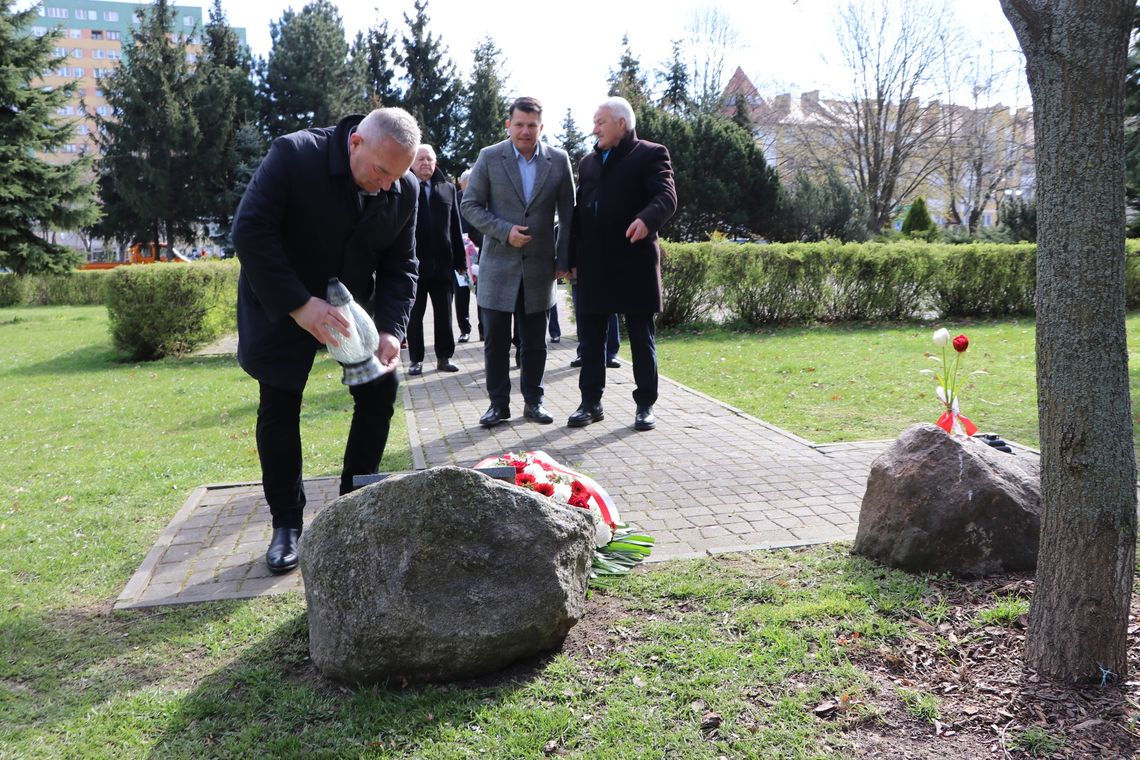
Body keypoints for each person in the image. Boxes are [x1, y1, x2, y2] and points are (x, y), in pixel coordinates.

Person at [231, 107, 421, 574]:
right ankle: (286, 524)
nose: (386, 186)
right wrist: (300, 305)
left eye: (396, 177)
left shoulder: (403, 188)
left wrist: (392, 329)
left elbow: (401, 266)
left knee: (380, 391)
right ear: (355, 142)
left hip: (352, 308)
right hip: (281, 300)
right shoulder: (294, 155)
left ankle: (351, 509)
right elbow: (250, 231)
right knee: (279, 404)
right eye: (380, 171)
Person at [461, 96, 575, 427]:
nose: (525, 131)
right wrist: (504, 231)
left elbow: (569, 214)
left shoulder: (558, 160)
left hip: (539, 268)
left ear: (541, 127)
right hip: (498, 266)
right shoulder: (489, 157)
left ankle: (534, 402)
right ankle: (498, 405)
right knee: (496, 342)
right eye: (520, 124)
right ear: (508, 125)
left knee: (535, 343)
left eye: (532, 126)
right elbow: (469, 206)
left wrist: (564, 258)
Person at [568, 96, 677, 431]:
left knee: (641, 339)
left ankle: (645, 405)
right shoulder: (588, 163)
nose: (594, 129)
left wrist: (647, 219)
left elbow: (666, 196)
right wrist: (570, 258)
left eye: (600, 122)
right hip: (594, 264)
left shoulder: (650, 153)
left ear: (621, 123)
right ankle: (590, 403)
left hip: (634, 262)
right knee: (590, 341)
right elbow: (578, 213)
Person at [406, 145, 466, 376]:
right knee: (414, 316)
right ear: (412, 162)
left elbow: (455, 227)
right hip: (414, 266)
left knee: (444, 315)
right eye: (420, 159)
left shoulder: (447, 188)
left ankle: (444, 357)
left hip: (443, 265)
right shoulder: (403, 186)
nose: (425, 163)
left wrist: (460, 262)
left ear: (435, 162)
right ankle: (416, 360)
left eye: (429, 159)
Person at [455, 169, 482, 342]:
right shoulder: (455, 198)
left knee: (483, 293)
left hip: (480, 253)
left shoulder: (483, 198)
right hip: (460, 254)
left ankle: (484, 329)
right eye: (468, 182)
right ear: (462, 184)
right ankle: (464, 330)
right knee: (462, 293)